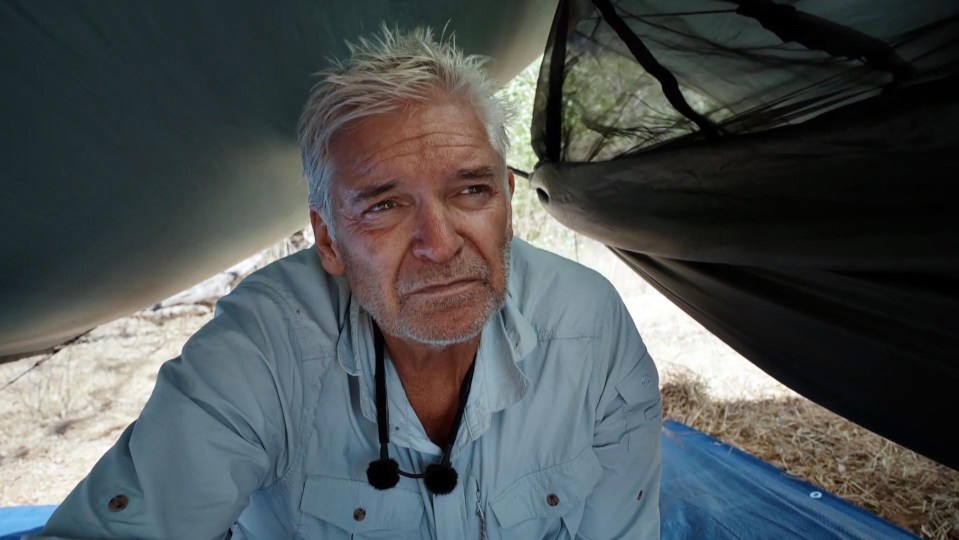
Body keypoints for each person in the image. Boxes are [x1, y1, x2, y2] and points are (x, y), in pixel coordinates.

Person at [31, 26, 661, 539]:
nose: (440, 245)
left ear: (506, 200)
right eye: (384, 206)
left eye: (470, 190)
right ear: (327, 240)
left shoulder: (588, 330)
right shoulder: (265, 347)